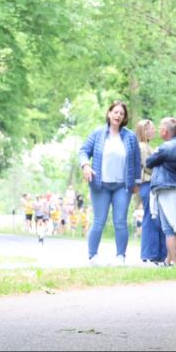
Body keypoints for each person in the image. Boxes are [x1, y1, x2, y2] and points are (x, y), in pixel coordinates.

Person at [78, 101, 142, 265]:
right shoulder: (98, 133)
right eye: (115, 112)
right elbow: (84, 151)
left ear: (124, 117)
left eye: (121, 113)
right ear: (109, 114)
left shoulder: (130, 137)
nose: (118, 116)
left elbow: (136, 161)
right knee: (99, 220)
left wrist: (137, 182)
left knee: (120, 221)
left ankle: (120, 257)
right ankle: (93, 256)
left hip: (122, 185)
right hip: (100, 185)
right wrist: (85, 165)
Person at [146, 118, 176, 266]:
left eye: (160, 127)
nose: (159, 130)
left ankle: (175, 263)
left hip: (167, 190)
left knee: (169, 228)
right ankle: (172, 261)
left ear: (165, 131)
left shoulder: (166, 147)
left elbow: (149, 162)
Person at [136, 118, 167, 264]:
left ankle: (160, 255)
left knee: (157, 218)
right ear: (144, 131)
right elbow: (147, 166)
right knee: (150, 218)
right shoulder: (142, 147)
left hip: (153, 184)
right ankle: (149, 254)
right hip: (147, 184)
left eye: (154, 128)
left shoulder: (148, 146)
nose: (153, 131)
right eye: (150, 129)